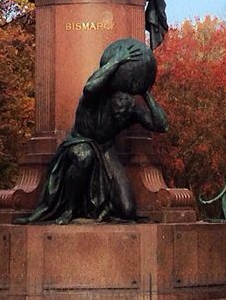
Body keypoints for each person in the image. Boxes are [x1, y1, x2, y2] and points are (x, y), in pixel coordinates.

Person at [20, 38, 168, 224]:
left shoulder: (130, 107)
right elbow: (89, 87)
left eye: (124, 113)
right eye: (118, 111)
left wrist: (145, 91)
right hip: (78, 141)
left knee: (127, 209)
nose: (121, 115)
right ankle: (69, 209)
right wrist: (117, 61)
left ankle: (100, 207)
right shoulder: (95, 96)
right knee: (83, 156)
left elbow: (162, 125)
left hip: (105, 149)